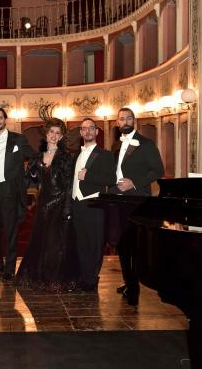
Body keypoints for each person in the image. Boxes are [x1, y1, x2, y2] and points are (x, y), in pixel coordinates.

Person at [15, 118, 79, 292]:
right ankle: (40, 276)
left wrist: (67, 208)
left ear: (61, 136)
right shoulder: (38, 155)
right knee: (40, 240)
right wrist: (33, 173)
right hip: (43, 202)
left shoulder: (66, 157)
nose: (54, 136)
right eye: (52, 132)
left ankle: (55, 279)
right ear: (47, 133)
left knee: (55, 243)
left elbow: (68, 185)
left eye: (58, 133)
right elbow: (32, 180)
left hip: (59, 202)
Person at [111, 107, 164, 305]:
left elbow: (158, 170)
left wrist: (134, 182)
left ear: (134, 121)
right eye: (121, 118)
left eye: (128, 118)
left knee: (134, 247)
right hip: (118, 201)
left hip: (137, 201)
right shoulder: (116, 145)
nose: (124, 121)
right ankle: (129, 282)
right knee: (122, 245)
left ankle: (134, 290)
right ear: (117, 123)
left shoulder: (146, 144)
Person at [0, 107, 34, 282]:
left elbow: (33, 157)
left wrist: (24, 181)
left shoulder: (18, 139)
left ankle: (10, 269)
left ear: (5, 119)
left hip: (9, 191)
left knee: (11, 231)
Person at [71, 118, 117, 292]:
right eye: (84, 129)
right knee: (80, 242)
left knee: (95, 242)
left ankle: (92, 279)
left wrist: (88, 175)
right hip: (76, 203)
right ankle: (84, 276)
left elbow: (111, 180)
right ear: (81, 133)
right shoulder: (76, 155)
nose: (88, 131)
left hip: (93, 202)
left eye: (91, 128)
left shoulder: (105, 154)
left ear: (97, 132)